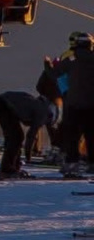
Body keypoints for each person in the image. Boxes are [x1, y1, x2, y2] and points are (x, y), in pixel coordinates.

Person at [46, 32, 94, 176]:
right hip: (92, 105)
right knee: (91, 136)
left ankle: (72, 163)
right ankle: (92, 164)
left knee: (72, 136)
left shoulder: (71, 59)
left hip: (73, 105)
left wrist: (47, 65)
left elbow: (54, 74)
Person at [0, 91, 56, 179]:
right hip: (1, 104)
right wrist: (28, 156)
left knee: (15, 136)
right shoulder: (43, 113)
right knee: (16, 137)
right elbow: (31, 136)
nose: (44, 125)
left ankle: (13, 167)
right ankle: (7, 169)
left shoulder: (40, 105)